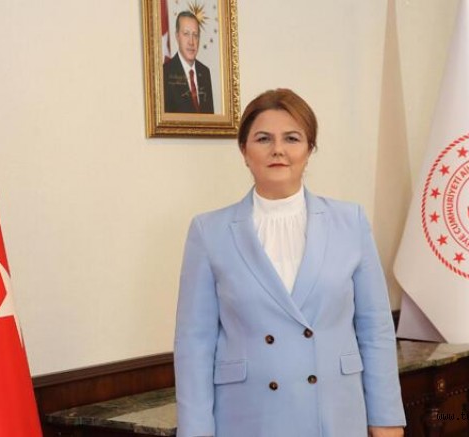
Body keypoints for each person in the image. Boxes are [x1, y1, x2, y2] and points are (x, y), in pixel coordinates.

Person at [174, 89, 406, 437]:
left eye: (292, 138)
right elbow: (194, 344)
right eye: (263, 138)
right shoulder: (209, 232)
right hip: (248, 417)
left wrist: (386, 418)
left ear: (309, 149)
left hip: (335, 413)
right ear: (244, 151)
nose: (278, 149)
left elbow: (375, 330)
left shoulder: (350, 222)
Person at [163, 11, 214, 114]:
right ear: (177, 36)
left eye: (195, 35)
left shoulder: (205, 72)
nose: (191, 42)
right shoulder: (165, 73)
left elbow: (209, 117)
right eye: (186, 34)